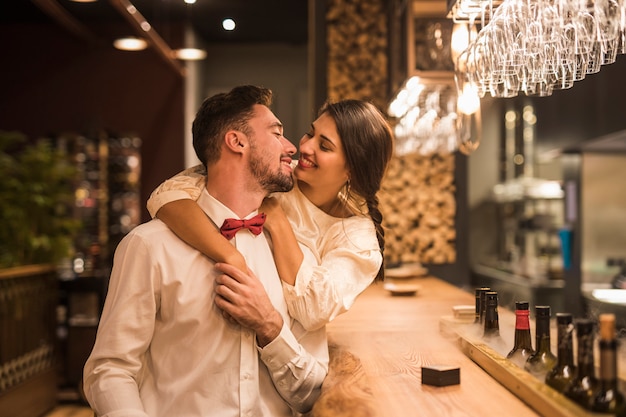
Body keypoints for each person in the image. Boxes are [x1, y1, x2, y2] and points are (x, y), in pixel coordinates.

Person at [83, 85, 328, 417]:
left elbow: (313, 395)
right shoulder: (149, 247)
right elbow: (110, 370)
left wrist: (270, 326)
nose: (290, 148)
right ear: (236, 141)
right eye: (276, 133)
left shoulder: (297, 258)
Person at [147, 98, 394, 331]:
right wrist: (232, 258)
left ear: (352, 168)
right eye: (310, 133)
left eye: (325, 146)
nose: (304, 146)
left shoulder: (358, 240)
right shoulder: (276, 173)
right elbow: (166, 194)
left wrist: (277, 223)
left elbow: (313, 310)